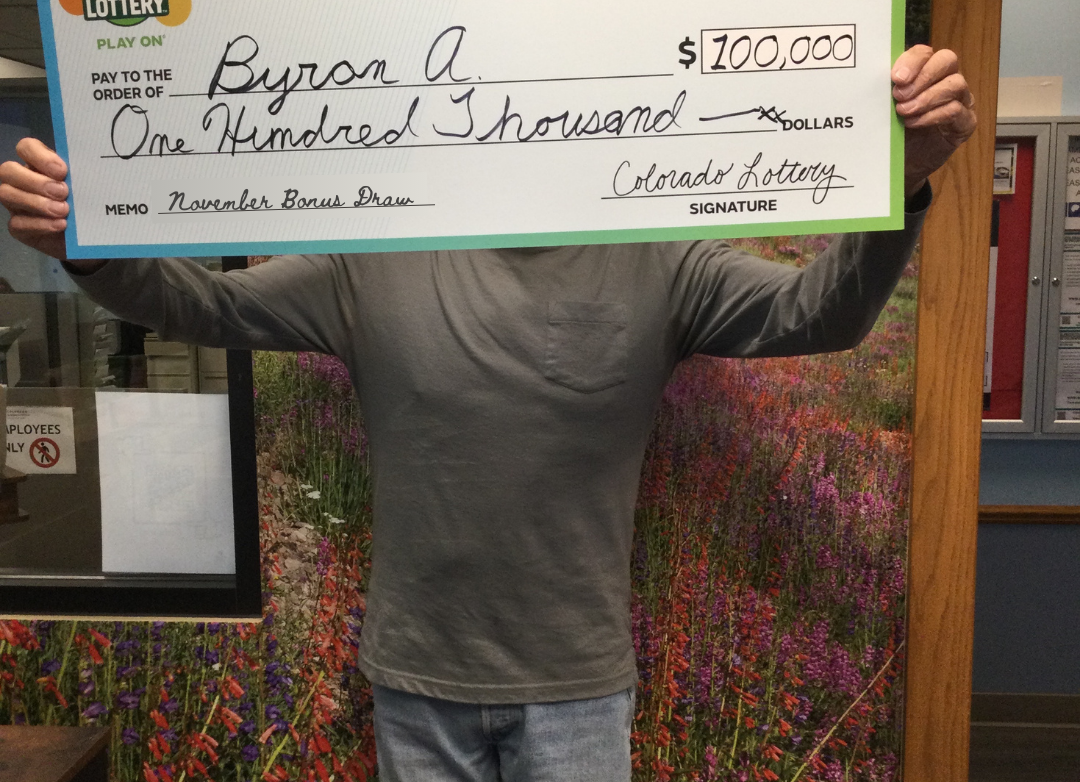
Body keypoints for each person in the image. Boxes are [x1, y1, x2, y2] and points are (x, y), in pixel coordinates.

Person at [1, 44, 975, 782]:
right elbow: (207, 307)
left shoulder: (661, 257)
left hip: (577, 689)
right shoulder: (372, 259)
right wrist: (88, 248)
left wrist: (904, 182)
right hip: (419, 681)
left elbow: (819, 314)